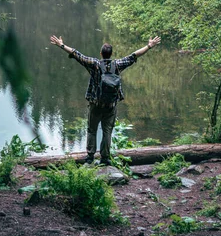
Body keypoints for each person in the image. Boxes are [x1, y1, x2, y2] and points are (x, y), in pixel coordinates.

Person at [50, 35, 161, 165]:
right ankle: (105, 159)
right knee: (107, 131)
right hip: (110, 105)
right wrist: (149, 46)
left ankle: (90, 157)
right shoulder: (118, 65)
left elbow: (76, 54)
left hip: (96, 104)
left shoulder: (94, 64)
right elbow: (134, 56)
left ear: (101, 54)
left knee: (92, 130)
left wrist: (61, 45)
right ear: (111, 54)